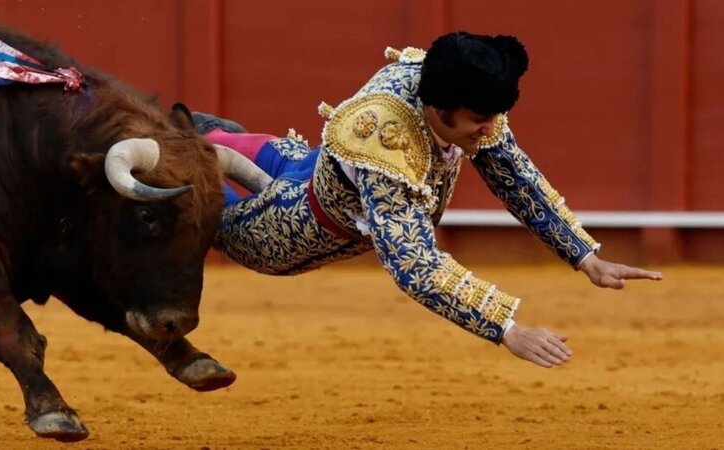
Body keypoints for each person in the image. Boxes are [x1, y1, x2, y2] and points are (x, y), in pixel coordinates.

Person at [172, 31, 662, 386]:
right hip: (283, 230)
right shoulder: (385, 138)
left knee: (208, 139)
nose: (489, 132)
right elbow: (415, 264)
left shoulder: (457, 88)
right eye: (480, 121)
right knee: (173, 183)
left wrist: (585, 256)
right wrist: (506, 328)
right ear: (437, 111)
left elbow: (514, 175)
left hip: (308, 166)